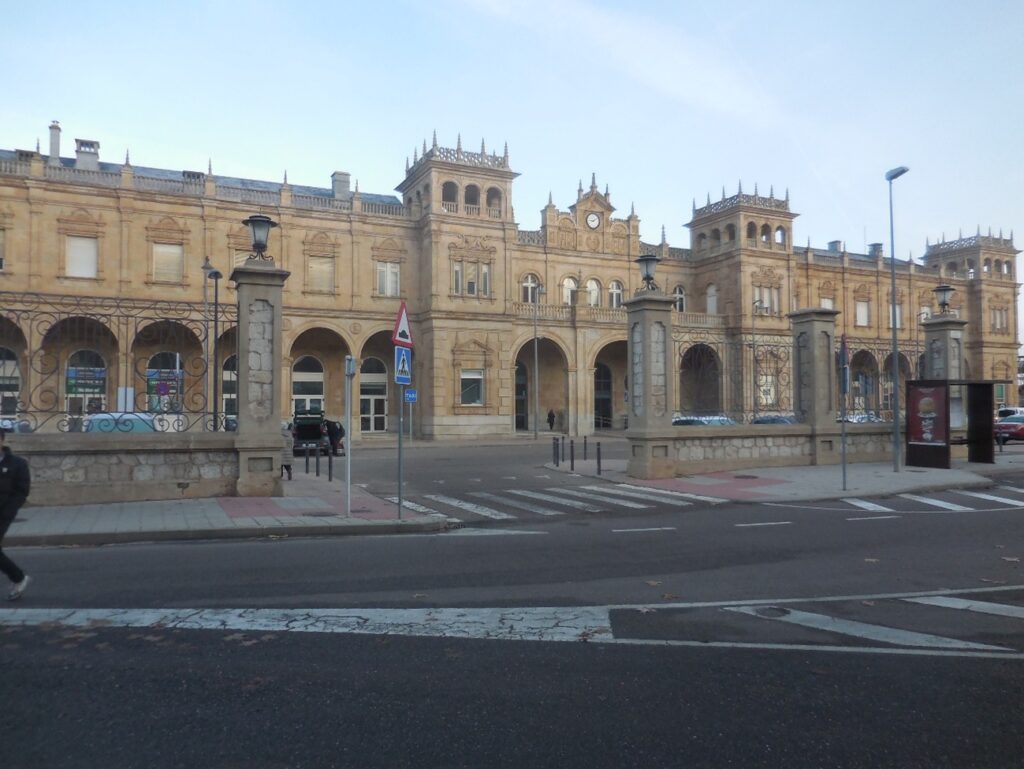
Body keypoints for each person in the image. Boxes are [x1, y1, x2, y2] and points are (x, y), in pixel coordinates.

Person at [0, 427, 31, 601]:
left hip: (3, 512)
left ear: (2, 440)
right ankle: (18, 578)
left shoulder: (17, 463)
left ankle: (18, 578)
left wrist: (9, 511)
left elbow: (21, 491)